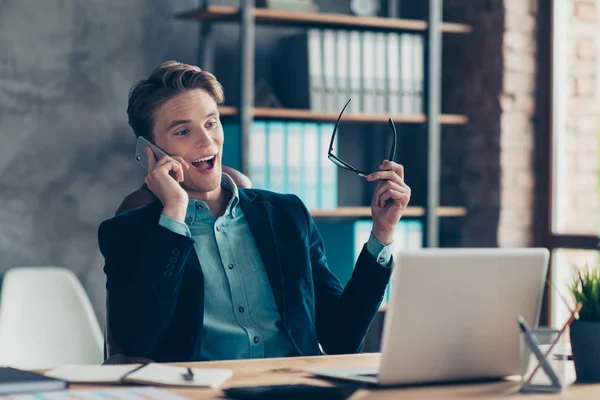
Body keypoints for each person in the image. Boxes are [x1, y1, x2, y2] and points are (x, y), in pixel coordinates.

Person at [98, 61, 411, 363]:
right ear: (151, 152)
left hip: (298, 389)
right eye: (183, 132)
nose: (206, 140)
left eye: (211, 123)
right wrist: (175, 214)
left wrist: (382, 233)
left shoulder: (287, 215)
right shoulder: (128, 233)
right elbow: (138, 342)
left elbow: (341, 337)